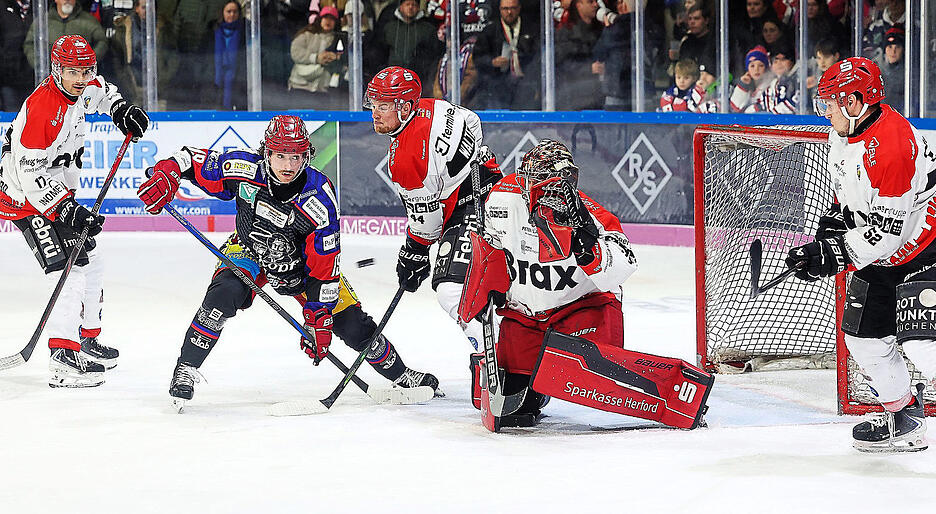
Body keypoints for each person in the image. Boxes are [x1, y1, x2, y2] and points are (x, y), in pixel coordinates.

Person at [135, 115, 441, 408]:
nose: (288, 165)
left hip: (302, 268)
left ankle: (401, 374)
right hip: (249, 250)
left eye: (296, 157)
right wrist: (166, 174)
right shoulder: (243, 170)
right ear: (267, 153)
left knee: (351, 325)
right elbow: (189, 159)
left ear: (306, 156)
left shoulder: (318, 199)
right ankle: (186, 367)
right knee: (222, 296)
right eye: (281, 156)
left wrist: (319, 314)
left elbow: (324, 263)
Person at [458, 140, 712, 429]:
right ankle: (537, 384)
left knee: (588, 375)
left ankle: (670, 394)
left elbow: (624, 265)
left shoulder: (592, 217)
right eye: (538, 179)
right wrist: (486, 281)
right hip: (526, 317)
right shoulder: (500, 199)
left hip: (579, 312)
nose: (547, 189)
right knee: (510, 410)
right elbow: (488, 252)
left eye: (555, 180)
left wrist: (587, 245)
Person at [787, 56, 936, 452]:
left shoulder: (892, 146)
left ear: (856, 101)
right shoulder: (844, 135)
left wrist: (833, 253)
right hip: (887, 248)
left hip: (933, 243)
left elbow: (886, 237)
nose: (825, 109)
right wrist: (833, 226)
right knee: (862, 337)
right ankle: (904, 419)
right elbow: (852, 196)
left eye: (831, 101)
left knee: (925, 344)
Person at [0, 35, 149, 387]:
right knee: (70, 268)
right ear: (56, 69)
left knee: (91, 259)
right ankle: (62, 358)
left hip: (54, 192)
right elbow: (29, 173)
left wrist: (122, 111)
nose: (80, 78)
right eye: (72, 71)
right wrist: (67, 210)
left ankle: (86, 338)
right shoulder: (42, 108)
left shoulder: (82, 86)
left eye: (85, 70)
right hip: (23, 198)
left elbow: (104, 92)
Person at [365, 66, 502, 352]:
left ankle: (498, 356)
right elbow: (472, 121)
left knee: (452, 289)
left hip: (472, 209)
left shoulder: (405, 160)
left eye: (383, 105)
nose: (375, 112)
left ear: (404, 107)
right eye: (374, 103)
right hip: (495, 188)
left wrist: (412, 254)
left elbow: (428, 227)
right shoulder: (433, 106)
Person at [169, 0, 232, 109]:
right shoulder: (186, 0)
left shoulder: (225, 3)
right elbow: (175, 30)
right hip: (185, 65)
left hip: (212, 67)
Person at [471, 0, 538, 110]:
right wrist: (492, 62)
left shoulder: (532, 29)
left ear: (519, 8)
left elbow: (539, 57)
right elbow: (478, 58)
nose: (509, 12)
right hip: (498, 84)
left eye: (513, 8)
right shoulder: (490, 31)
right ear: (500, 10)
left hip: (526, 83)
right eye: (505, 9)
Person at [25, 0, 109, 71]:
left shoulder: (89, 20)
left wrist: (87, 63)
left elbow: (102, 41)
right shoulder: (42, 21)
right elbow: (29, 44)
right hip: (49, 75)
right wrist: (38, 64)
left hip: (81, 77)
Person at [288, 6, 349, 110]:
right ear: (320, 19)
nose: (328, 21)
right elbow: (295, 52)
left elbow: (344, 60)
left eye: (332, 19)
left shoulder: (339, 39)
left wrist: (335, 59)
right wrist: (316, 58)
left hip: (321, 90)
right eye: (326, 18)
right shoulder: (307, 34)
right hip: (299, 86)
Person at [554, 0, 604, 110]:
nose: (595, 5)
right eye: (590, 1)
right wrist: (588, 69)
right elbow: (561, 64)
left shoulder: (600, 30)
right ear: (579, 5)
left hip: (596, 97)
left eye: (596, 1)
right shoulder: (566, 32)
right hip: (572, 98)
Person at [0, 0, 34, 112]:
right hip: (9, 78)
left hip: (33, 77)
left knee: (32, 119)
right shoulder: (2, 6)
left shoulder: (39, 6)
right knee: (11, 121)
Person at [214, 0, 247, 110]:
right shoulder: (214, 32)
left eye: (235, 12)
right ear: (222, 13)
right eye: (229, 11)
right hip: (217, 83)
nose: (232, 14)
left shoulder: (245, 32)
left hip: (239, 82)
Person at [730, 45, 771, 112]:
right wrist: (743, 85)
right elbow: (735, 108)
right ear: (747, 69)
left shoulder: (771, 85)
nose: (756, 69)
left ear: (766, 68)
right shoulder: (746, 84)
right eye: (752, 66)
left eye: (761, 66)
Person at [881, 29, 904, 109]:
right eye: (890, 47)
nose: (893, 51)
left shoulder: (908, 73)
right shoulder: (877, 70)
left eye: (897, 47)